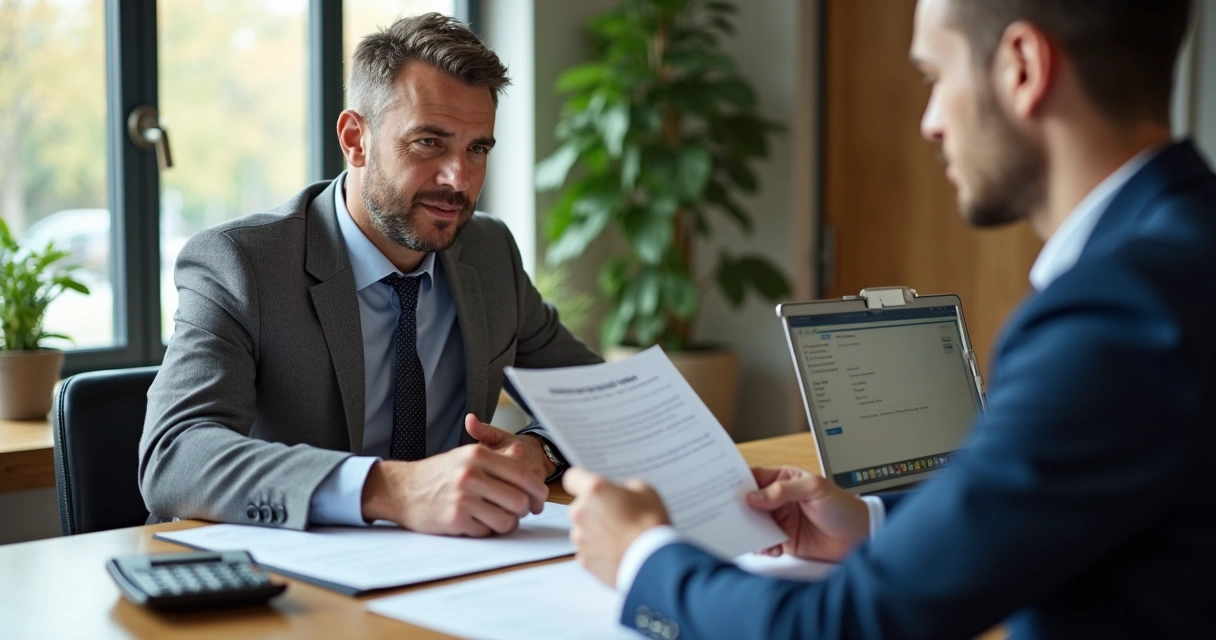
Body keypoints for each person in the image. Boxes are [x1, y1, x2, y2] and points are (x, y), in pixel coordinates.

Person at [564, 0, 1216, 637]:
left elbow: (843, 624)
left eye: (935, 77)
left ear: (1022, 66)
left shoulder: (1114, 315)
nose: (930, 122)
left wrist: (641, 556)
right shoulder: (1187, 251)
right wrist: (873, 523)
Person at [140, 13, 601, 536]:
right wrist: (392, 489)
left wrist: (537, 451)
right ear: (355, 138)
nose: (459, 180)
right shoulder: (240, 263)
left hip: (447, 571)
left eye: (477, 149)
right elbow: (174, 456)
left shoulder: (488, 251)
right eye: (429, 142)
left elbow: (597, 395)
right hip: (283, 581)